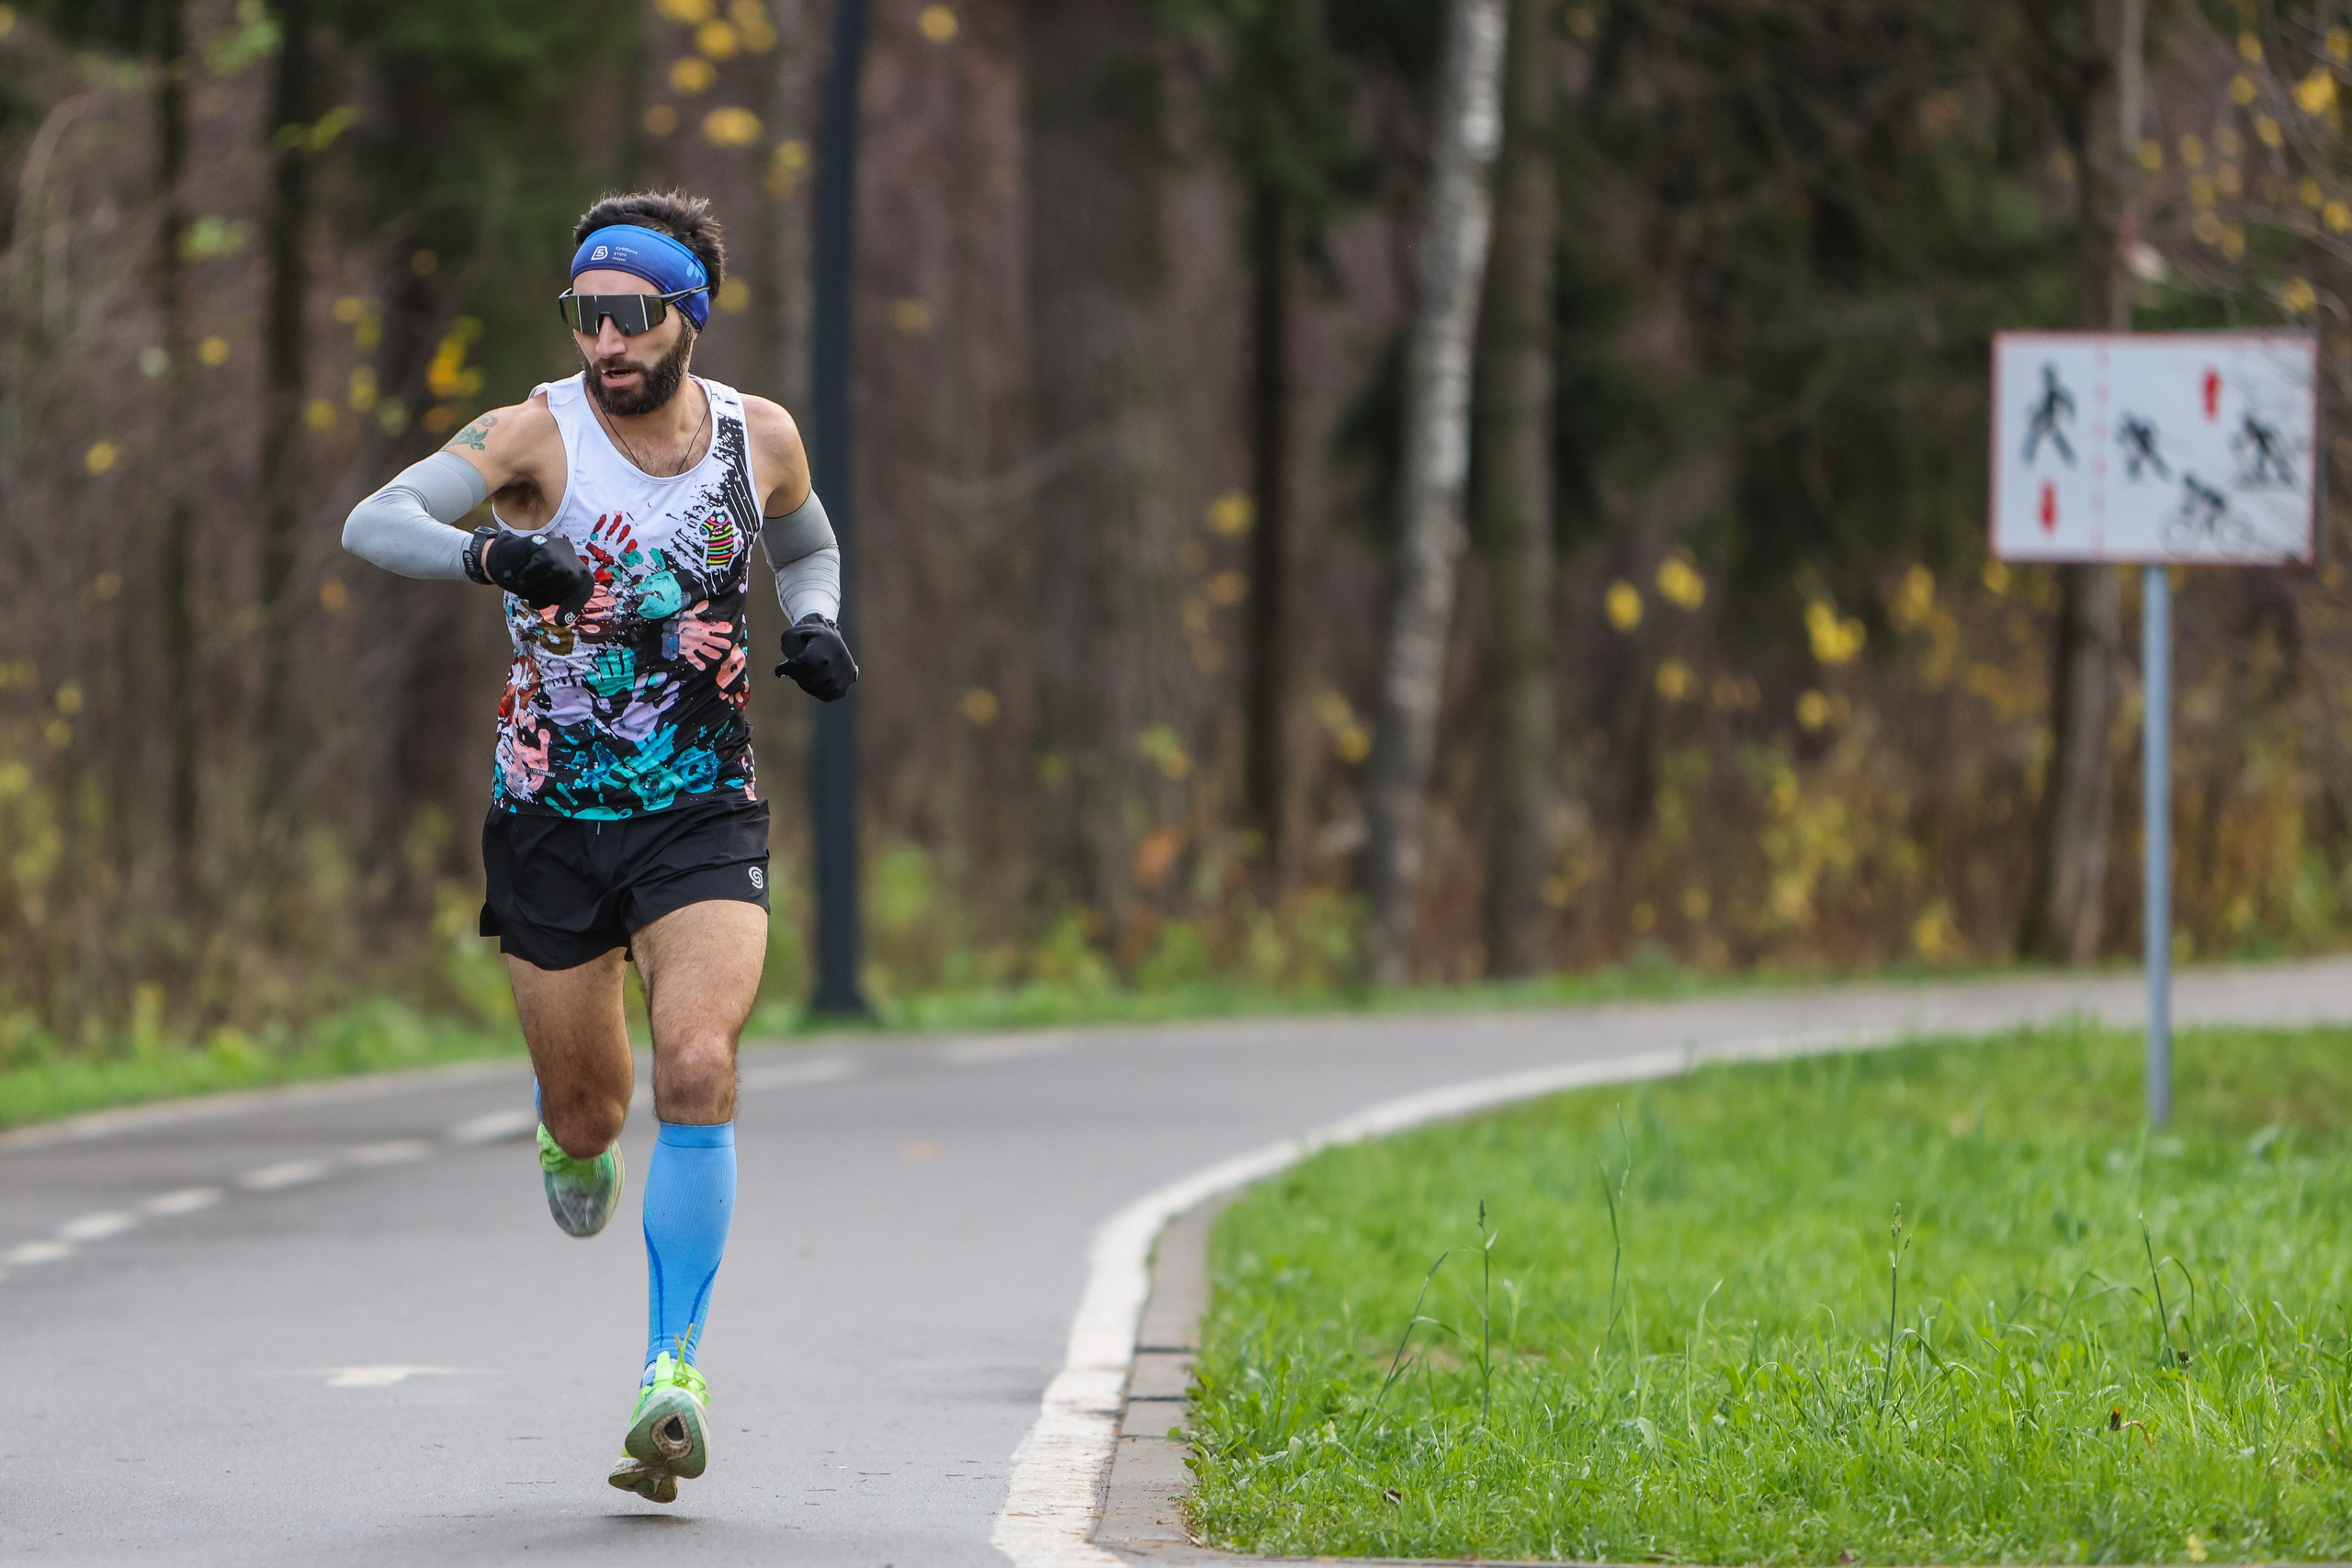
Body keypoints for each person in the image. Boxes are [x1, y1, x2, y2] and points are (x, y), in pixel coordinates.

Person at [340, 189, 856, 1505]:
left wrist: (813, 618)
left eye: (630, 315)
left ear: (687, 316)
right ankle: (565, 1132)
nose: (605, 341)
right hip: (552, 820)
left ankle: (670, 1374)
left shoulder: (759, 436)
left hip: (701, 808)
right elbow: (376, 520)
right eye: (586, 314)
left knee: (697, 1057)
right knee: (593, 1112)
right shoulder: (534, 431)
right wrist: (493, 562)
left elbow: (804, 536)